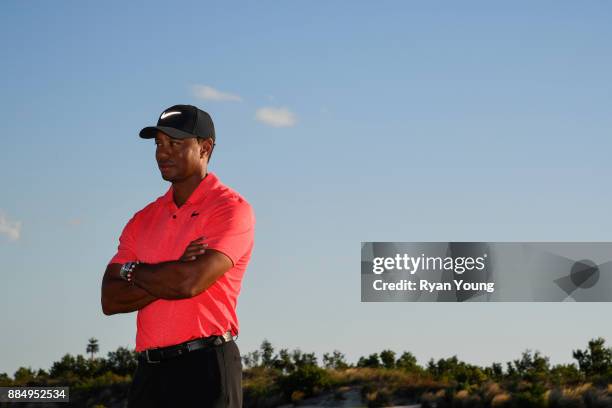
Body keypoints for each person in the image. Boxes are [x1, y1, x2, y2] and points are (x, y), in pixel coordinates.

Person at [101, 104, 255, 407]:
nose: (162, 152)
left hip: (206, 366)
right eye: (158, 144)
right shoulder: (141, 219)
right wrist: (167, 272)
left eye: (175, 143)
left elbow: (188, 283)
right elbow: (110, 298)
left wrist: (133, 271)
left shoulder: (231, 209)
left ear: (205, 148)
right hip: (149, 372)